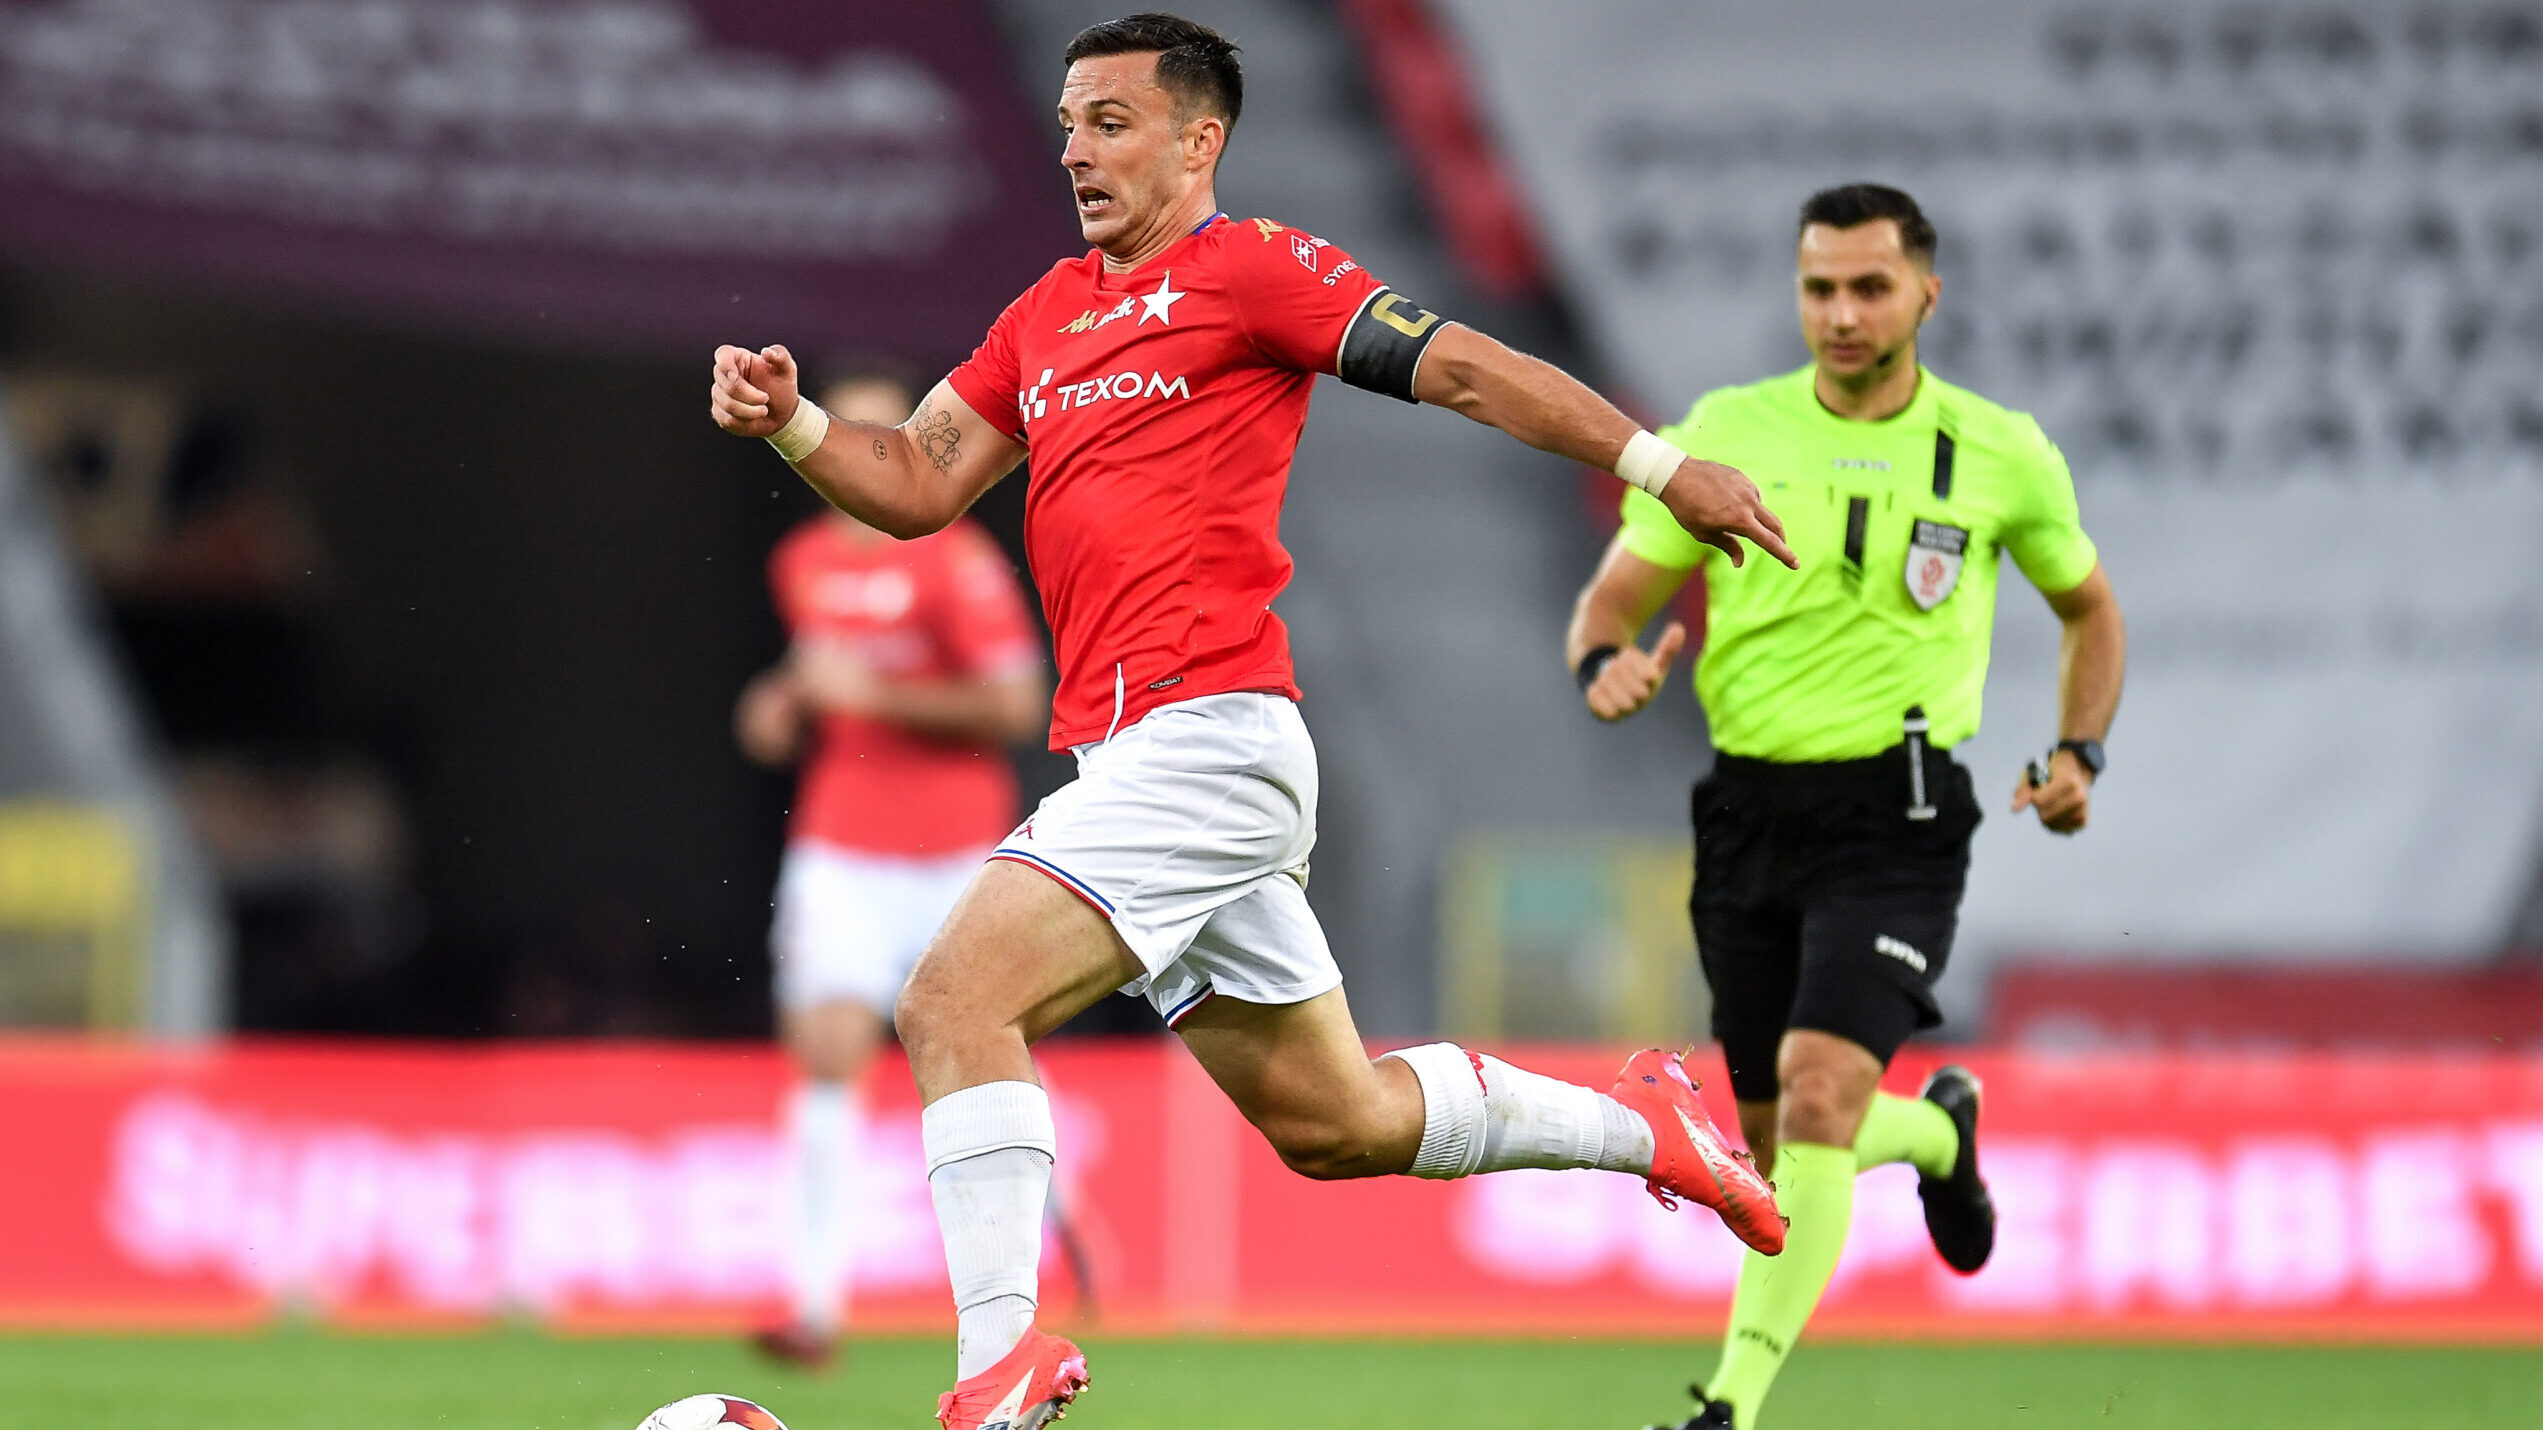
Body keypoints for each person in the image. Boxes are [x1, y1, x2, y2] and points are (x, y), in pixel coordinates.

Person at [709, 15, 1798, 1429]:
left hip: (1207, 737)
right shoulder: (1044, 314)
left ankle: (1000, 1358)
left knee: (951, 997)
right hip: (1136, 757)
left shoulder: (1253, 270)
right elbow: (917, 481)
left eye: (1109, 122)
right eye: (1068, 122)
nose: (1074, 149)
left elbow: (1463, 367)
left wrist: (1656, 464)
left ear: (1197, 140)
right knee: (1337, 1122)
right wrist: (796, 425)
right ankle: (1642, 1124)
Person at [1565, 184, 2126, 1430]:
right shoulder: (1727, 430)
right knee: (1775, 1149)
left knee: (1817, 1094)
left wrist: (2077, 750)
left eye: (1869, 287)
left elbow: (2088, 608)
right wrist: (1603, 660)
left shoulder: (1998, 450)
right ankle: (1935, 1136)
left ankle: (1726, 1407)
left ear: (1925, 293)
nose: (1840, 312)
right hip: (1746, 811)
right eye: (1818, 287)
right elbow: (1610, 603)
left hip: (1898, 810)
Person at [733, 371, 1048, 1368]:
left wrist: (876, 695)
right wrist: (782, 703)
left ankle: (1045, 1258)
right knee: (826, 1051)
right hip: (841, 842)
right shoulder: (801, 562)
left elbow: (1016, 705)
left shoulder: (956, 561)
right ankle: (814, 1304)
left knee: (980, 1051)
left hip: (956, 847)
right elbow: (820, 674)